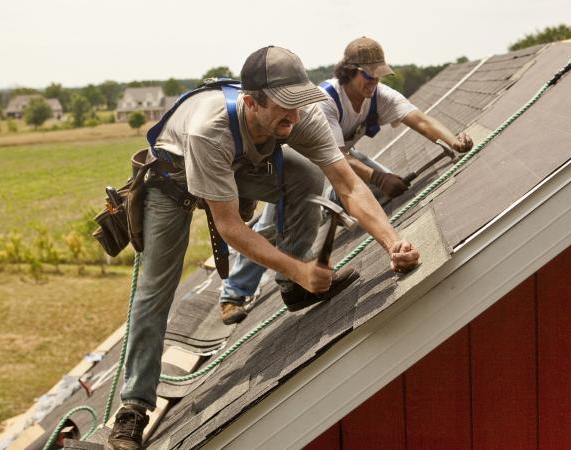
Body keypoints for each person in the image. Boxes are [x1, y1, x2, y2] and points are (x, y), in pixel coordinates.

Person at [106, 46, 420, 450]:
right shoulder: (210, 129)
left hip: (236, 164)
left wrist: (394, 242)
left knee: (306, 176)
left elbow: (348, 183)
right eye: (284, 109)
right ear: (252, 102)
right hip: (173, 181)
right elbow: (231, 228)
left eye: (299, 105)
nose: (294, 117)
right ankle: (134, 406)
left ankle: (294, 289)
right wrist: (300, 267)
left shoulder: (296, 115)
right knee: (155, 291)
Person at [219, 37, 471, 325]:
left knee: (381, 187)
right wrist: (378, 176)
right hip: (303, 164)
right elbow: (339, 163)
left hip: (339, 161)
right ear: (349, 71)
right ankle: (234, 292)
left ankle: (350, 218)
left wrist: (453, 141)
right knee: (273, 225)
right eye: (369, 75)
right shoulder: (324, 101)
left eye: (380, 75)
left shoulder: (379, 96)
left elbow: (419, 120)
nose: (375, 81)